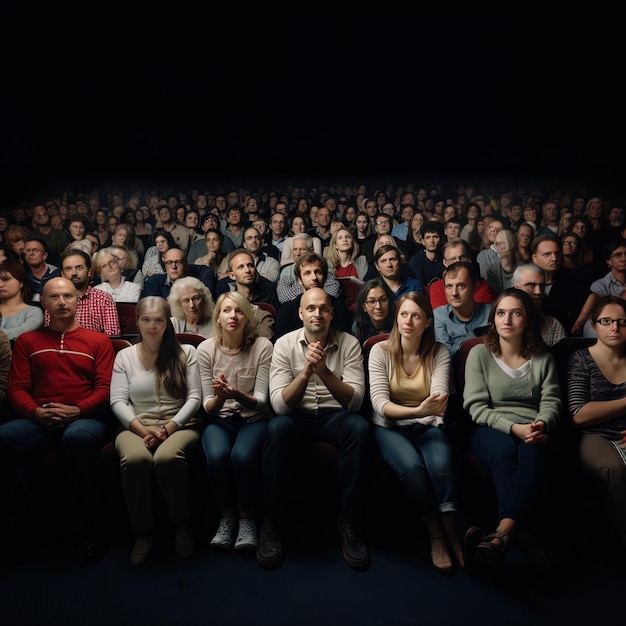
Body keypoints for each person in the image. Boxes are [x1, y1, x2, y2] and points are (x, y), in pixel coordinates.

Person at [0, 276, 116, 563]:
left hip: (84, 417)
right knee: (3, 438)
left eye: (68, 296)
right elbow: (16, 388)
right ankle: (23, 525)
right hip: (37, 418)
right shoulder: (28, 341)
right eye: (54, 297)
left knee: (76, 438)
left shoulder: (98, 341)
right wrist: (34, 412)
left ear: (77, 300)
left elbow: (105, 389)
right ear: (44, 302)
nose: (62, 301)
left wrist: (78, 410)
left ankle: (88, 530)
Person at [258, 287, 370, 570]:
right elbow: (280, 405)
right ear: (300, 313)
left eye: (323, 308)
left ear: (332, 313)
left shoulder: (349, 343)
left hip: (336, 417)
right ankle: (273, 520)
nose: (317, 313)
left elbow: (355, 402)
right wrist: (307, 372)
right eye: (310, 308)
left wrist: (324, 371)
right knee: (277, 427)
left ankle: (349, 521)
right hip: (298, 417)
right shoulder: (283, 345)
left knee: (358, 427)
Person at [462, 288, 562, 576]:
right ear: (493, 319)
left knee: (533, 449)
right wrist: (513, 428)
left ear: (527, 319)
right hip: (489, 426)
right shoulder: (479, 353)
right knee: (505, 450)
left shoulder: (543, 358)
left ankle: (501, 536)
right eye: (501, 313)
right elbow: (475, 407)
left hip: (531, 425)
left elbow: (551, 401)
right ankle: (521, 535)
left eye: (516, 313)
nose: (507, 319)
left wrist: (542, 423)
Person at [368, 291, 464, 574]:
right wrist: (421, 411)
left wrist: (424, 412)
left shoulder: (439, 352)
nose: (408, 321)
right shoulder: (380, 351)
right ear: (396, 319)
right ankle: (436, 536)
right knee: (411, 466)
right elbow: (381, 406)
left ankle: (453, 535)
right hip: (388, 427)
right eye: (403, 314)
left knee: (442, 463)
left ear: (427, 322)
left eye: (416, 316)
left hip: (427, 424)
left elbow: (439, 398)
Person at [110, 296, 203, 567]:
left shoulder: (186, 352)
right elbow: (117, 401)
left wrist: (168, 428)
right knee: (136, 459)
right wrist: (142, 429)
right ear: (137, 321)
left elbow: (194, 399)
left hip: (180, 423)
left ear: (168, 323)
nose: (152, 326)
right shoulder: (125, 355)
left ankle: (181, 523)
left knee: (167, 458)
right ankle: (142, 531)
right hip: (136, 423)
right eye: (146, 320)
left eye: (159, 320)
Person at [197, 292, 273, 552]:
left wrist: (238, 394)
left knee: (242, 456)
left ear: (247, 317)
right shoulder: (205, 349)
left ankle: (246, 519)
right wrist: (220, 398)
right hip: (220, 419)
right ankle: (227, 517)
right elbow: (207, 407)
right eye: (227, 310)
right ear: (217, 317)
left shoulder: (262, 346)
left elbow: (263, 401)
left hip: (254, 419)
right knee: (217, 456)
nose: (233, 316)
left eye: (239, 311)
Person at [567, 295, 626, 554]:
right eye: (607, 321)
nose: (615, 327)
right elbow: (579, 414)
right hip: (595, 436)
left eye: (623, 322)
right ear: (594, 324)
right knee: (613, 470)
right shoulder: (581, 358)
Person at [274, 252, 352, 339]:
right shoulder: (287, 309)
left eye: (318, 272)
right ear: (299, 280)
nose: (314, 277)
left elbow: (343, 340)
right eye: (307, 273)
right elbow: (281, 342)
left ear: (325, 277)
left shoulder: (338, 306)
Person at [46, 249, 120, 336]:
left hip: (93, 347)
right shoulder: (54, 300)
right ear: (62, 274)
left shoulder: (103, 298)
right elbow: (49, 335)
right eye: (68, 268)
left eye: (79, 267)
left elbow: (112, 335)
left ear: (89, 272)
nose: (74, 273)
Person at [433, 262, 491, 359]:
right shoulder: (439, 315)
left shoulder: (492, 312)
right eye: (449, 286)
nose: (454, 293)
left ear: (475, 287)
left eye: (461, 286)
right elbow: (445, 356)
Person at [428, 238, 494, 310]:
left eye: (462, 257)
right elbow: (442, 317)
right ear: (445, 263)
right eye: (453, 259)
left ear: (469, 259)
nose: (458, 262)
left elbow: (484, 316)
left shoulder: (483, 287)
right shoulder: (437, 288)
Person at [511, 263, 567, 347]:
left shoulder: (553, 325)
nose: (538, 291)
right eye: (531, 285)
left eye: (541, 286)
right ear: (516, 288)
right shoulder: (504, 321)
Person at [141, 246, 216, 301]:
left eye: (178, 262)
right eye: (169, 262)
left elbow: (207, 301)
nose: (174, 266)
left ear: (186, 265)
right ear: (165, 266)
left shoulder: (202, 272)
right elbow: (154, 309)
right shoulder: (154, 281)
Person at [0, 259, 44, 341]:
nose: (0, 284)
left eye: (6, 279)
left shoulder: (33, 312)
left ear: (21, 282)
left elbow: (20, 334)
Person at [352, 278, 395, 344]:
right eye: (372, 301)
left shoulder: (399, 323)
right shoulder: (358, 328)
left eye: (383, 300)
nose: (378, 307)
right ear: (364, 306)